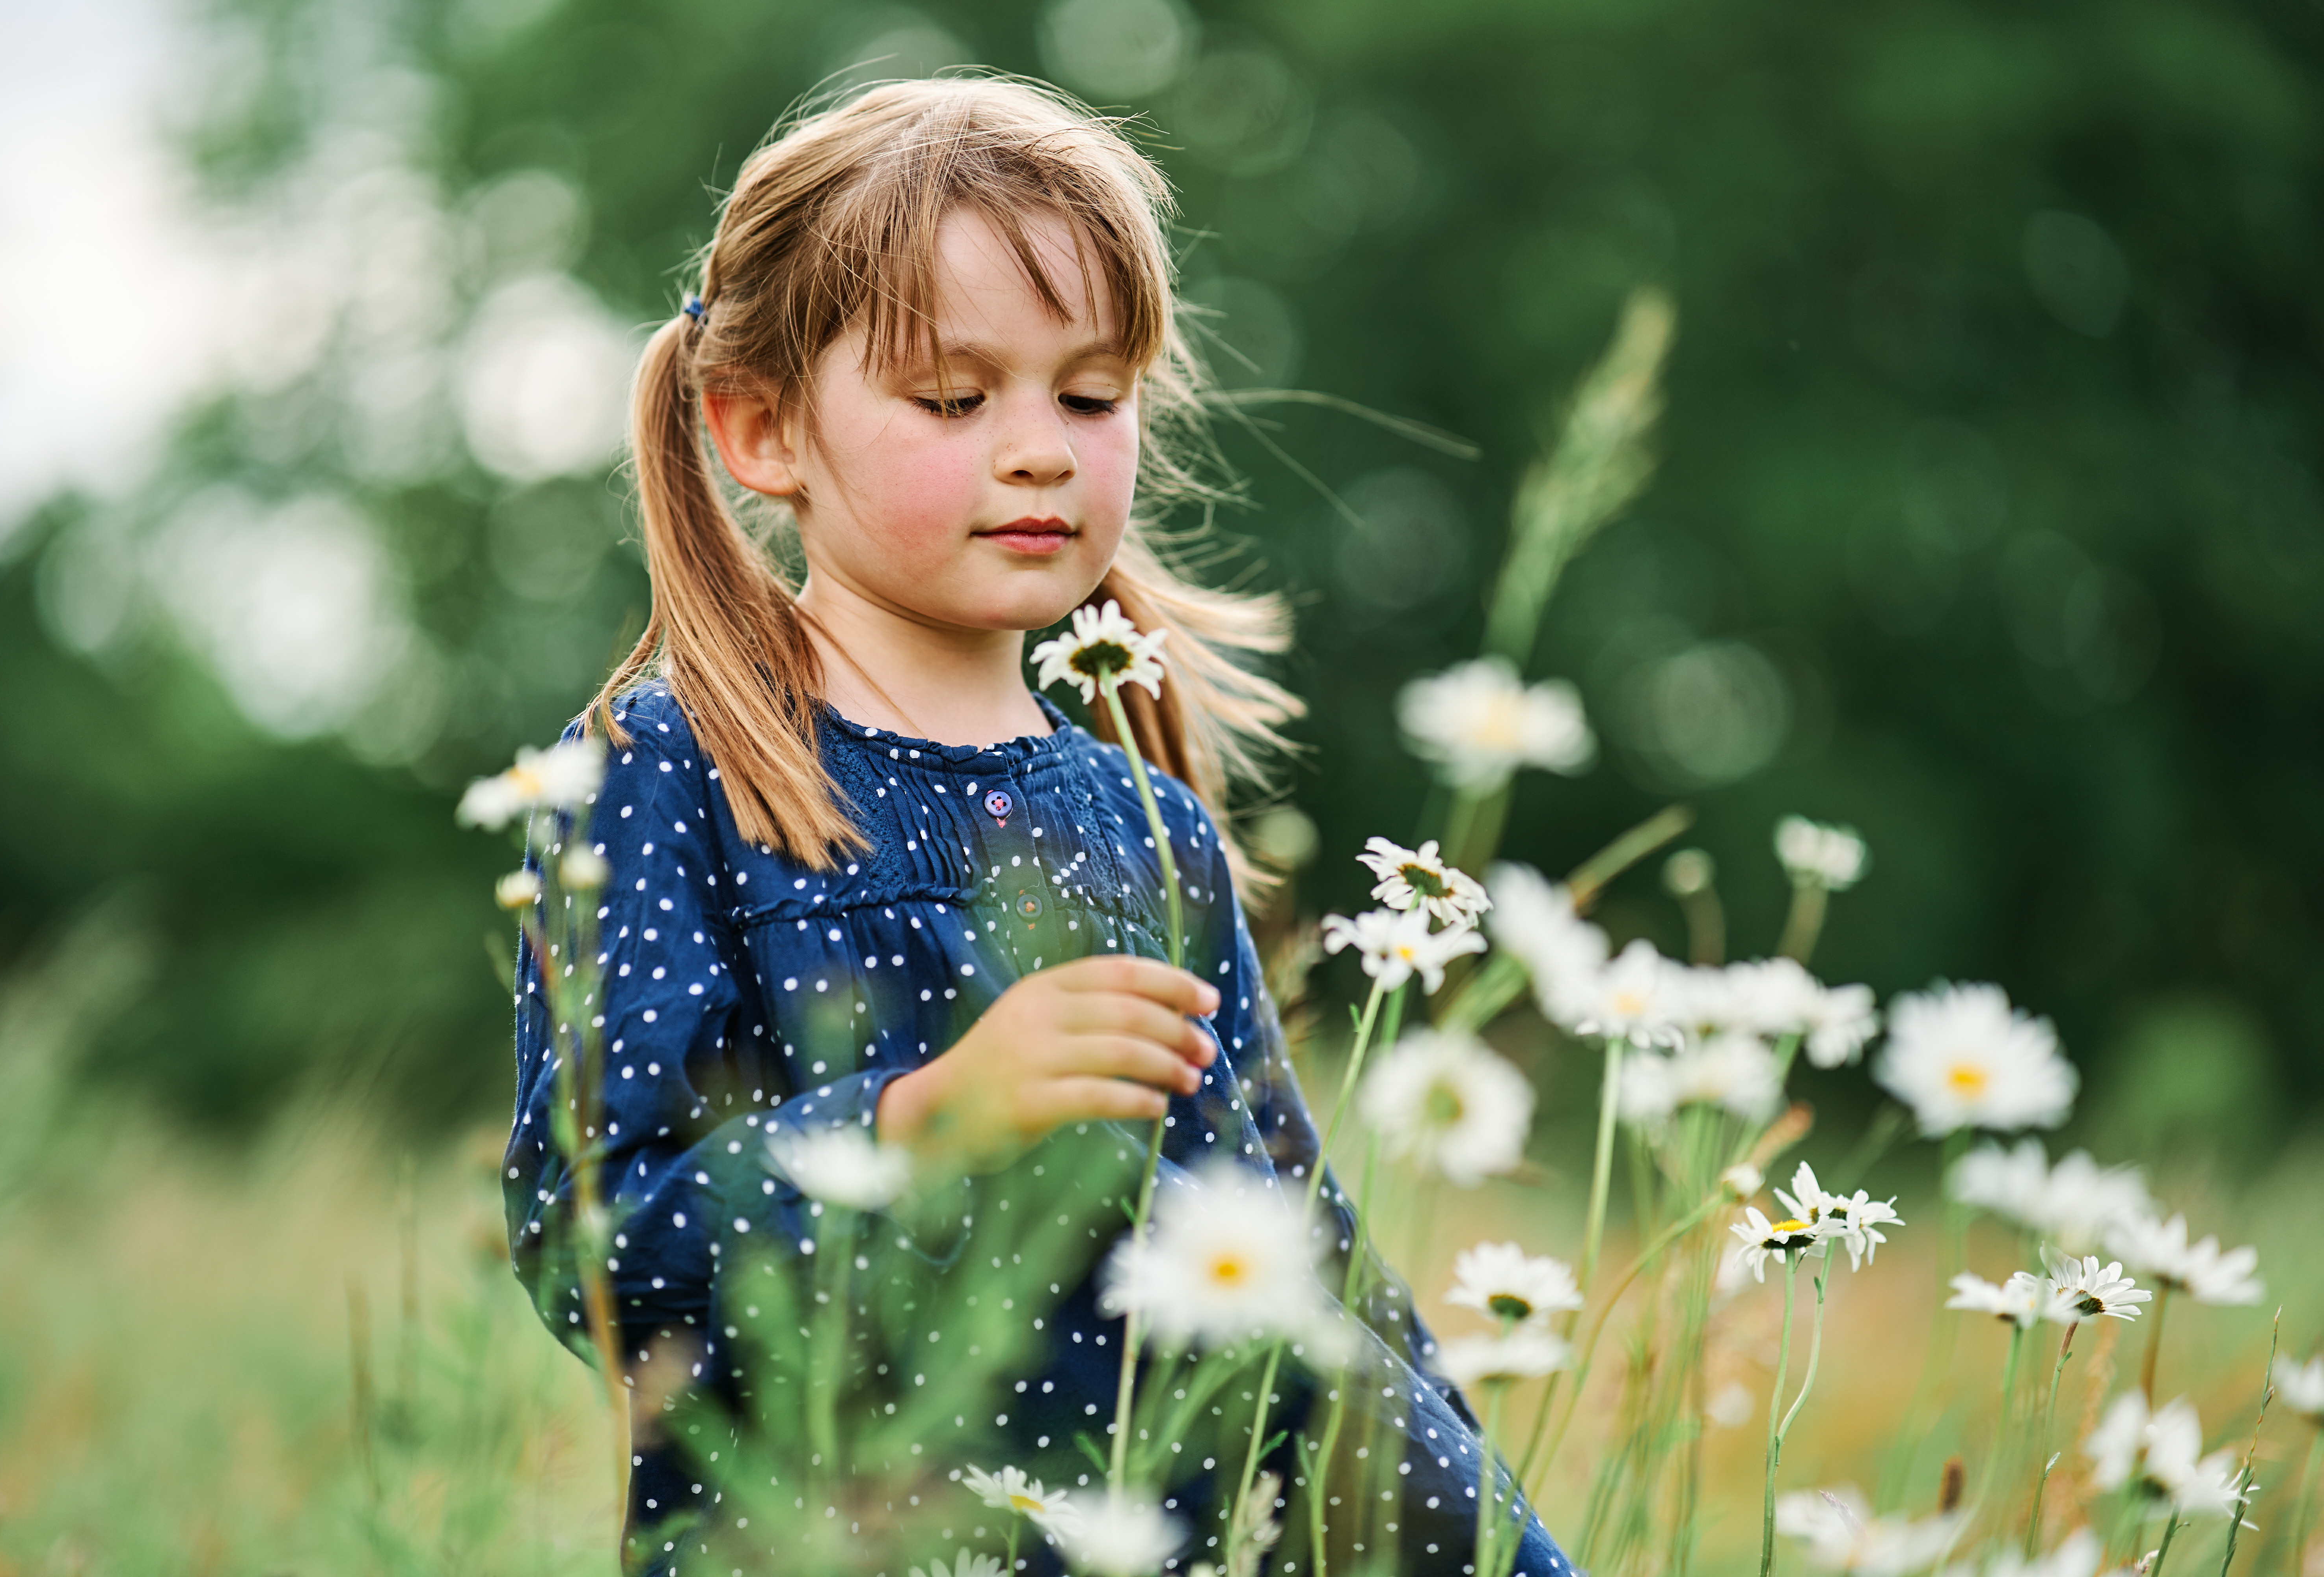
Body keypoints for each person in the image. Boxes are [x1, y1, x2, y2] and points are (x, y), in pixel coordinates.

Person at [501, 75, 1573, 1577]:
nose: (1040, 450)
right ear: (759, 430)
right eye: (955, 397)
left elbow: (1291, 1243)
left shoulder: (1148, 824)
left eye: (1090, 395)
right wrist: (929, 1122)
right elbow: (597, 1252)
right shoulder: (671, 768)